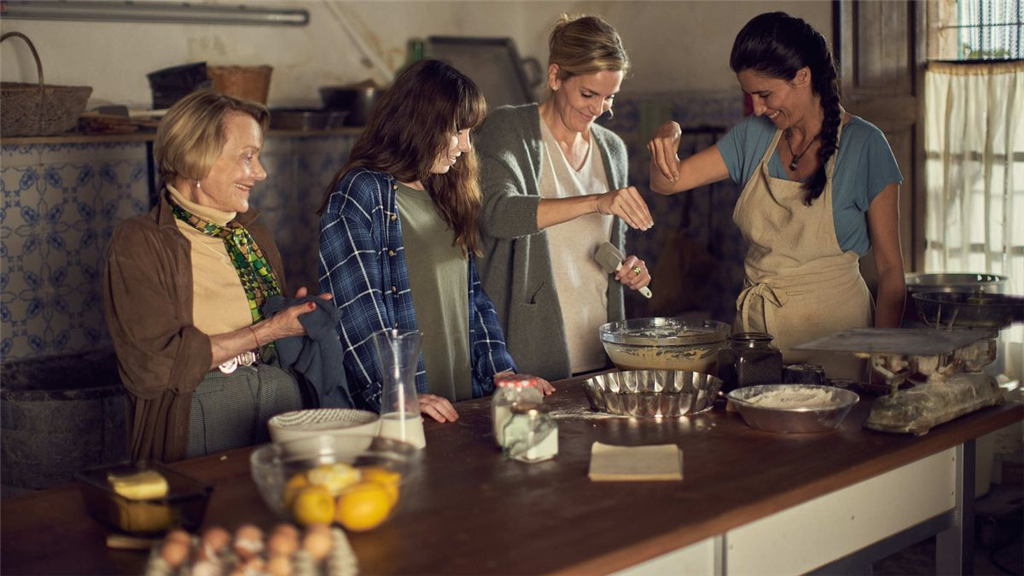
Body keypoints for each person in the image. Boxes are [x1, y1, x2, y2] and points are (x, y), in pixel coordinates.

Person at [648, 12, 905, 378]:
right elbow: (666, 183)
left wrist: (883, 360)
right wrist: (668, 131)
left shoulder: (865, 145)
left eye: (765, 94)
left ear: (803, 76)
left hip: (839, 342)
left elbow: (891, 270)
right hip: (757, 340)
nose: (757, 108)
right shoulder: (754, 136)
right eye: (750, 95)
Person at [318, 59, 552, 424]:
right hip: (405, 409)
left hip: (460, 400)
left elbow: (472, 297)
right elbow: (356, 311)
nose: (466, 146)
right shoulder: (362, 192)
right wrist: (397, 394)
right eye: (457, 131)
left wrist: (501, 372)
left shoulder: (445, 190)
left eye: (470, 132)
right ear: (420, 123)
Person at [105, 90, 330, 462]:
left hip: (280, 406)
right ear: (197, 157)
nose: (261, 172)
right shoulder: (140, 241)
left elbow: (276, 341)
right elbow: (153, 367)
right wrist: (269, 330)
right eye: (247, 157)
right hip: (199, 420)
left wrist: (296, 317)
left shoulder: (253, 237)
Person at [475, 14, 654, 382]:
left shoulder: (612, 150)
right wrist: (595, 201)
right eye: (588, 94)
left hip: (601, 350)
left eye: (609, 97)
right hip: (528, 354)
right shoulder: (509, 129)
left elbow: (604, 250)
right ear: (555, 76)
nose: (598, 109)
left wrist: (630, 269)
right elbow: (496, 215)